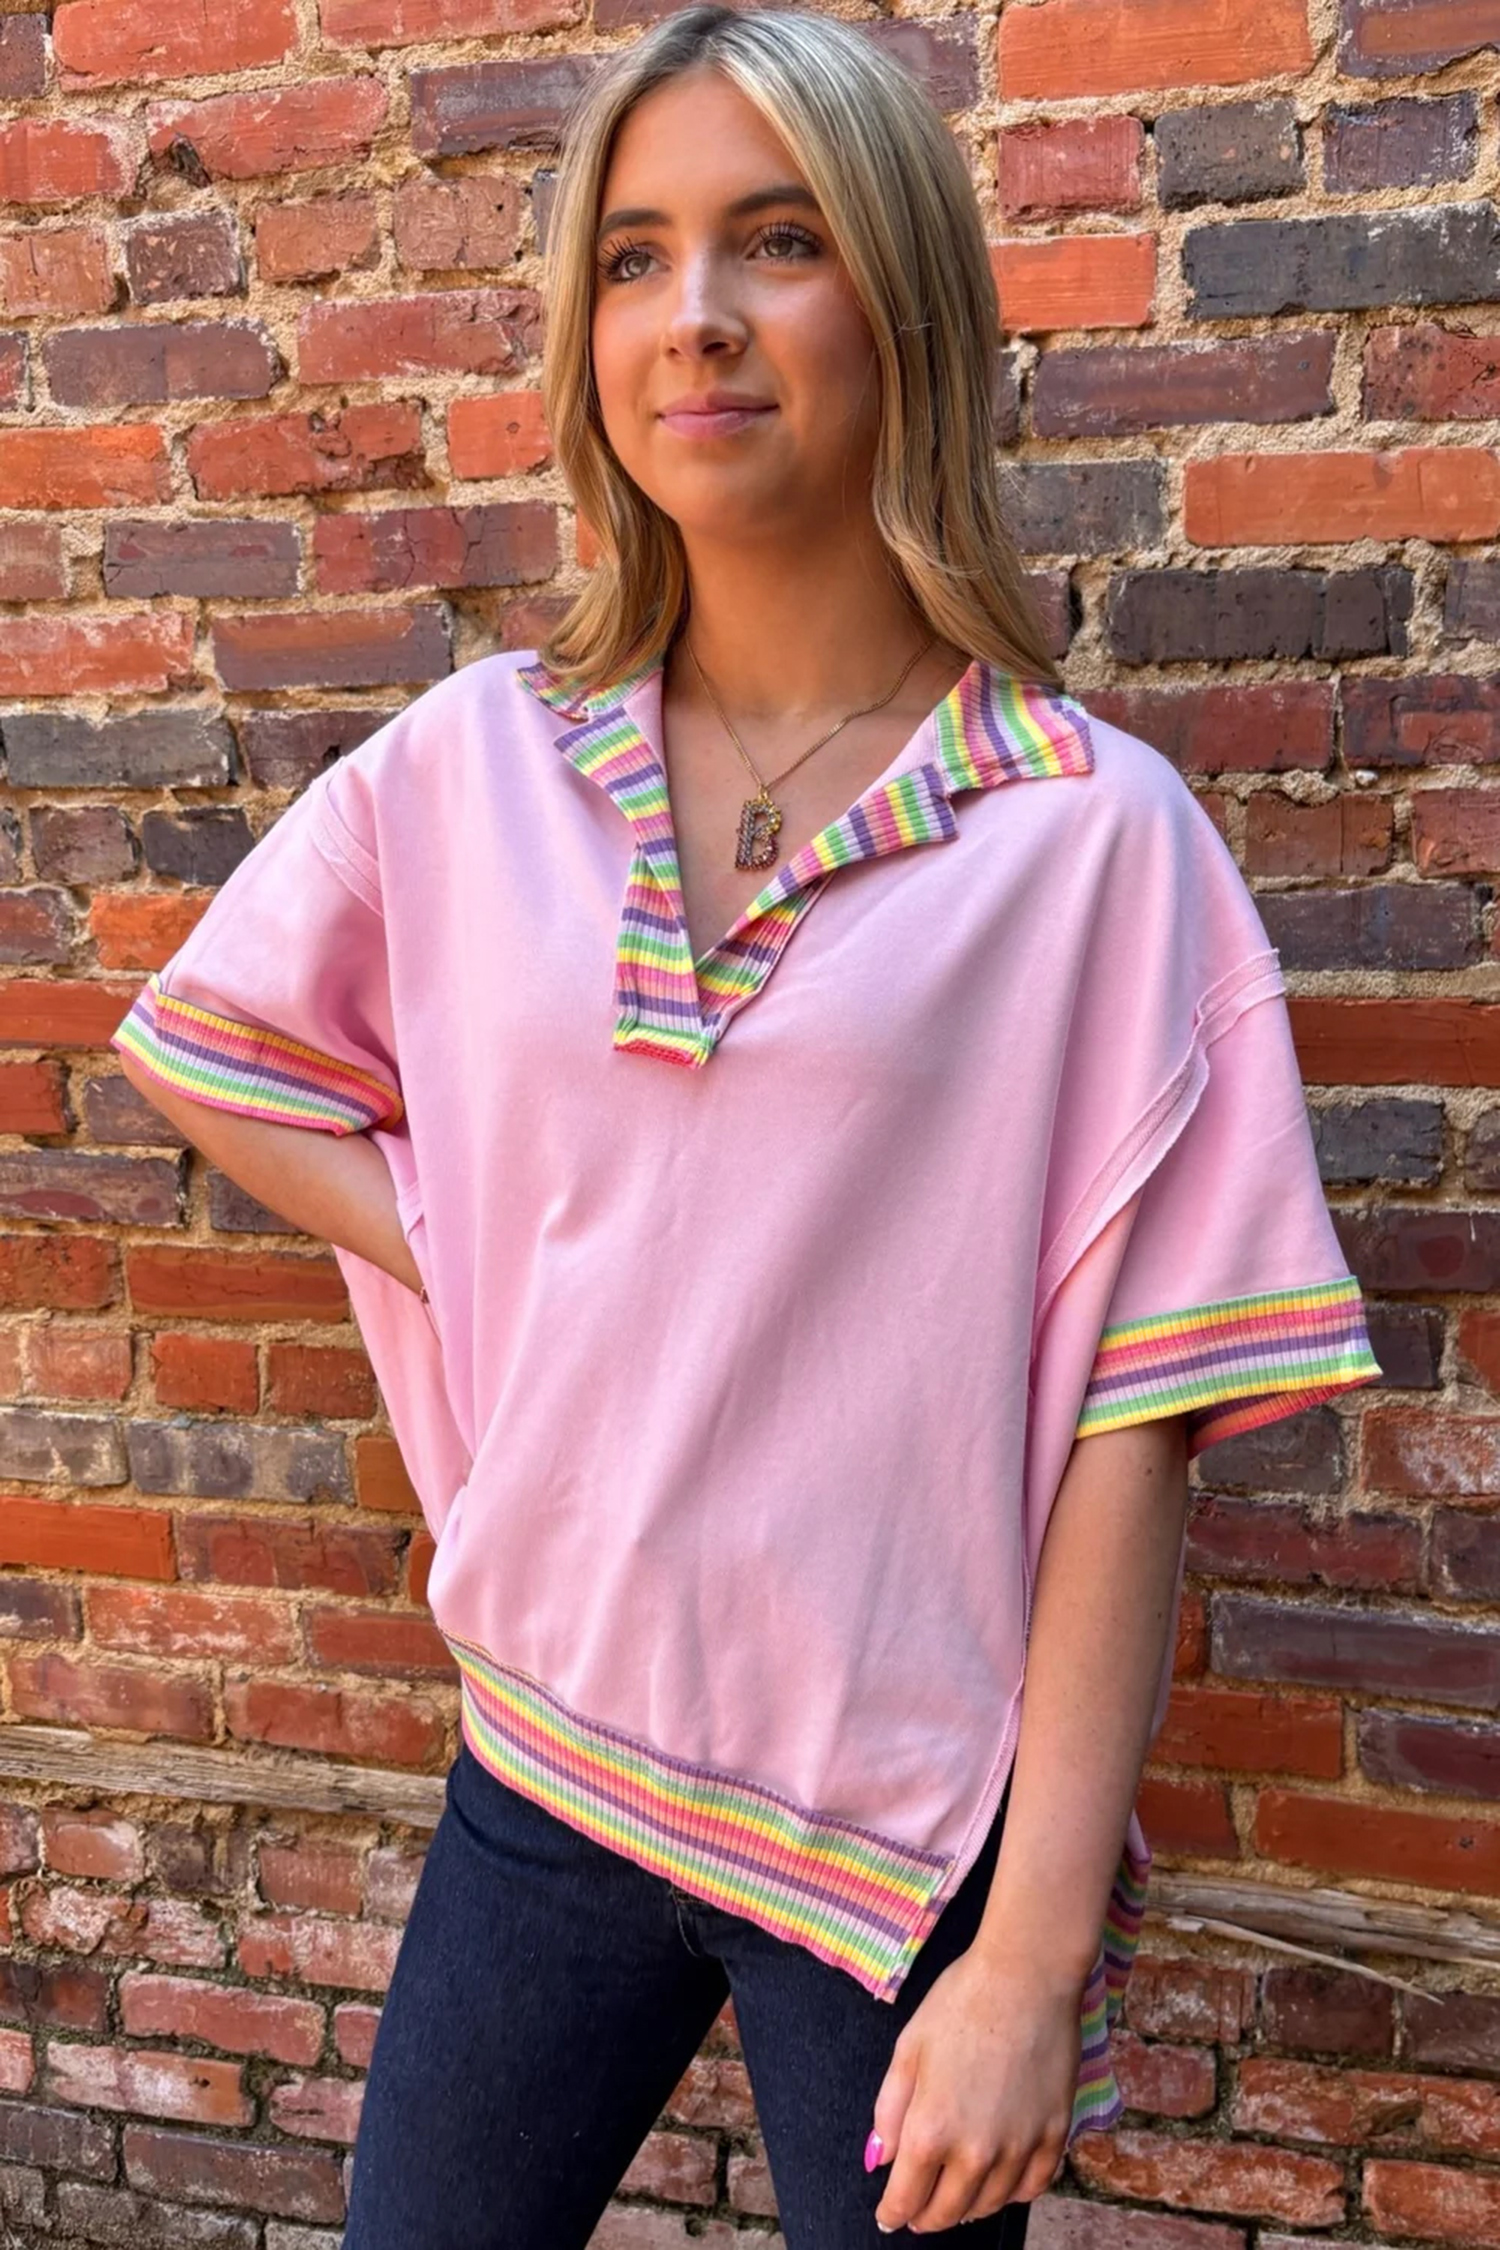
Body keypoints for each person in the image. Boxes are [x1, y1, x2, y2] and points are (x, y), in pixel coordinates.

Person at [109, 7, 1383, 2243]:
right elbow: (203, 1052)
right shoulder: (478, 764)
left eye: (777, 241)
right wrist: (475, 1237)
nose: (691, 313)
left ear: (903, 304)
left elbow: (1138, 1428)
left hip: (900, 1840)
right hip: (547, 1757)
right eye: (634, 255)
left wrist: (1031, 1962)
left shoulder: (1094, 845)